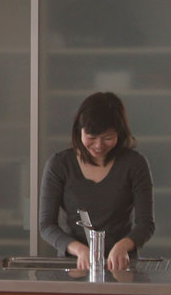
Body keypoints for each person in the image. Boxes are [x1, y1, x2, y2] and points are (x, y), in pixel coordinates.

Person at [39, 92, 155, 271]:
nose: (99, 145)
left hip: (121, 266)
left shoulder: (135, 164)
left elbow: (145, 224)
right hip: (74, 266)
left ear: (120, 133)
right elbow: (47, 225)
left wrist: (123, 246)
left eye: (107, 138)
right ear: (79, 131)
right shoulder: (59, 164)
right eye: (91, 137)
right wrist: (79, 250)